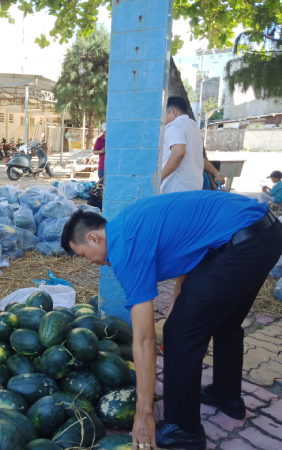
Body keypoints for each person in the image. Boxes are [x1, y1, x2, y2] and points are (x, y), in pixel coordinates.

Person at [61, 191, 282, 450]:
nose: (90, 262)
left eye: (83, 255)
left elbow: (144, 339)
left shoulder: (125, 247)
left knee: (180, 335)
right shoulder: (129, 222)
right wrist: (177, 308)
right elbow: (192, 255)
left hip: (241, 245)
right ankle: (227, 396)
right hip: (266, 233)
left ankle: (184, 429)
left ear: (93, 237)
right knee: (226, 323)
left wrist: (143, 415)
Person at [161, 97, 205, 193]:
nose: (162, 119)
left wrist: (159, 178)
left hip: (176, 188)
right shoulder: (193, 125)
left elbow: (179, 153)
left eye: (163, 114)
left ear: (173, 112)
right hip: (194, 187)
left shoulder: (174, 126)